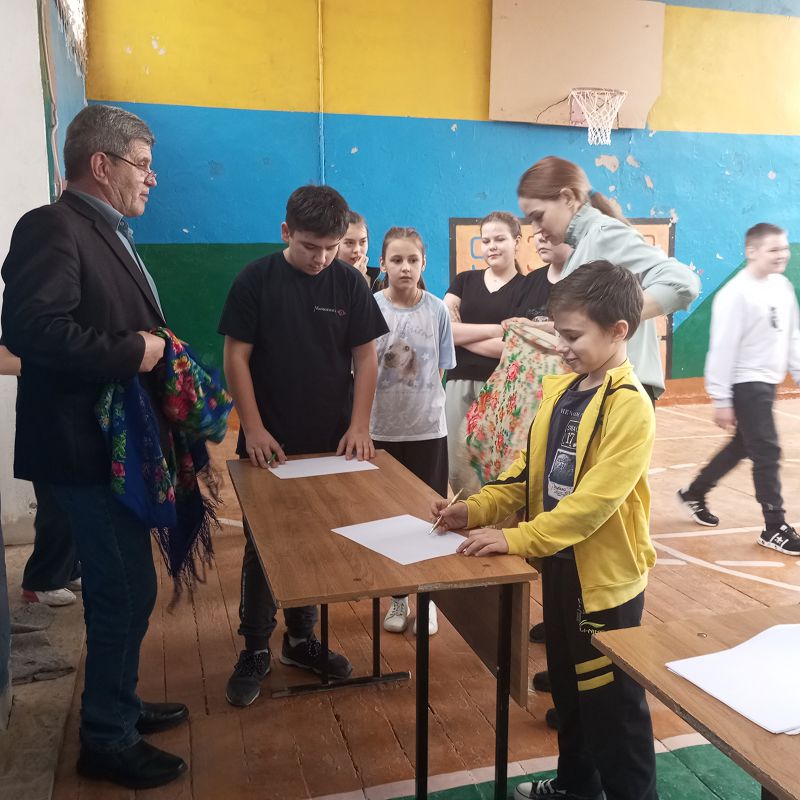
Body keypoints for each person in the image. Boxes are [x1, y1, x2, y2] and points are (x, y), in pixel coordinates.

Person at [1, 105, 187, 789]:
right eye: (143, 164)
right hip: (83, 449)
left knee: (127, 588)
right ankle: (106, 738)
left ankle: (120, 706)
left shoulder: (105, 229)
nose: (152, 178)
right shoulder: (52, 226)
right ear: (101, 165)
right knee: (123, 592)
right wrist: (132, 351)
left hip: (113, 446)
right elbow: (31, 329)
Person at [433, 261, 659, 800]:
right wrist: (476, 510)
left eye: (573, 335)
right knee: (571, 691)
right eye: (558, 332)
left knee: (613, 709)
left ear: (618, 331)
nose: (560, 346)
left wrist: (514, 538)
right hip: (559, 567)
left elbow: (591, 507)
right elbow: (524, 475)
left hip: (603, 585)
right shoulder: (561, 392)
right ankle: (577, 787)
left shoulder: (631, 406)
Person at [219, 185, 389, 707]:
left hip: (332, 442)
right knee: (264, 544)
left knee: (314, 538)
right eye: (310, 246)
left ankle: (300, 640)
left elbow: (366, 358)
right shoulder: (255, 280)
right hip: (268, 442)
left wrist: (359, 425)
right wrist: (254, 427)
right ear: (286, 232)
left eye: (331, 248)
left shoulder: (350, 282)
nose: (321, 258)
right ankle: (254, 647)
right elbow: (235, 358)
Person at [517, 155, 700, 402]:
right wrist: (544, 327)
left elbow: (683, 284)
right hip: (602, 387)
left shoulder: (603, 234)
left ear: (567, 197)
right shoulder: (584, 244)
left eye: (538, 216)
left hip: (619, 393)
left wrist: (610, 320)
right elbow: (587, 318)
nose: (536, 229)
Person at [678, 223, 800, 553]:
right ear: (752, 252)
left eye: (784, 248)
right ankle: (774, 526)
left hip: (767, 382)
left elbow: (792, 335)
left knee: (742, 445)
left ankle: (694, 492)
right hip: (746, 383)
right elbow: (722, 348)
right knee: (767, 451)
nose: (782, 254)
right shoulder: (735, 293)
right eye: (774, 249)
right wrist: (721, 398)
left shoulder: (783, 286)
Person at [370, 227, 456, 636]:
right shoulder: (370, 308)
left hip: (427, 432)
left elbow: (440, 368)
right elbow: (361, 369)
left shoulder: (437, 310)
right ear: (383, 263)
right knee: (390, 518)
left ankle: (429, 599)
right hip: (381, 431)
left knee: (430, 517)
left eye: (413, 260)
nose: (405, 267)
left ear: (424, 264)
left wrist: (424, 406)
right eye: (396, 260)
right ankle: (399, 596)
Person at [444, 211, 551, 497]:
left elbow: (513, 346)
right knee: (455, 467)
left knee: (495, 466)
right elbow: (445, 331)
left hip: (504, 386)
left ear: (517, 241)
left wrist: (462, 337)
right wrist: (495, 329)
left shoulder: (527, 287)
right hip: (458, 382)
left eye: (500, 239)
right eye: (486, 240)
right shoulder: (464, 281)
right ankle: (466, 515)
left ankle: (490, 518)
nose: (492, 246)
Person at [338, 210, 377, 286]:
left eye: (362, 242)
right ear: (335, 245)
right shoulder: (323, 279)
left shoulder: (377, 283)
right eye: (349, 243)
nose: (357, 250)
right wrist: (355, 279)